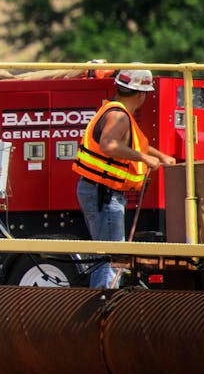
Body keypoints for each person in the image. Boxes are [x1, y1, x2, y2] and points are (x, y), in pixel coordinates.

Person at [71, 69, 176, 289]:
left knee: (109, 254)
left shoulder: (114, 110)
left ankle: (104, 302)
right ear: (141, 95)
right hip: (104, 195)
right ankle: (104, 306)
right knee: (112, 256)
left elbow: (134, 145)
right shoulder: (119, 115)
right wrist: (144, 158)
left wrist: (160, 156)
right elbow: (109, 145)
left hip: (99, 191)